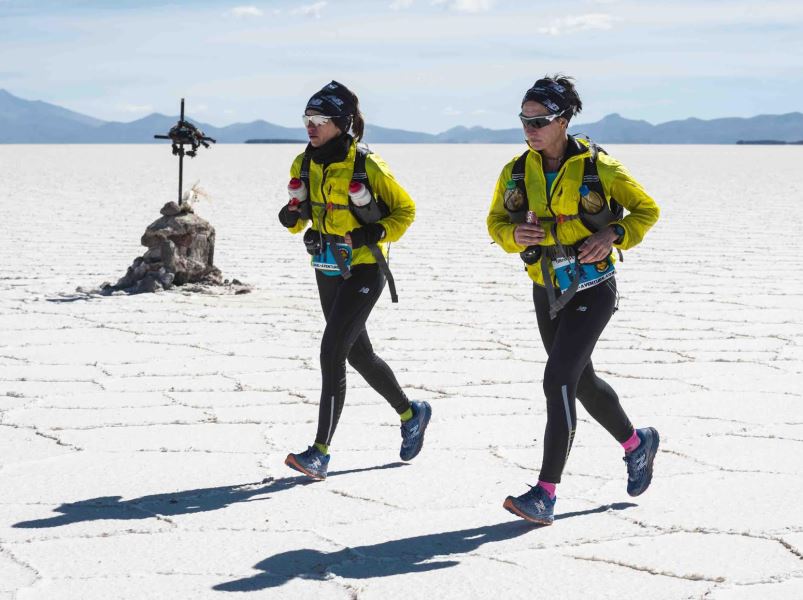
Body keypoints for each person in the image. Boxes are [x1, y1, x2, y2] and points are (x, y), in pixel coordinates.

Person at [486, 75, 661, 525]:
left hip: (592, 288)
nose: (530, 128)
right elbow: (494, 223)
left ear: (564, 120)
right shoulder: (516, 171)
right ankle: (636, 444)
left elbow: (647, 210)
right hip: (546, 287)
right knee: (580, 382)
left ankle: (545, 493)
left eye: (540, 120)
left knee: (558, 378)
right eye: (524, 120)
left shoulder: (601, 168)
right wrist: (513, 234)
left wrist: (613, 233)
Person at [278, 81, 431, 481]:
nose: (311, 127)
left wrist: (370, 234)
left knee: (332, 351)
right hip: (326, 266)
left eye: (320, 120)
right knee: (357, 354)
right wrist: (295, 220)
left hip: (365, 268)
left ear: (342, 124)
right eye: (307, 120)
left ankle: (319, 453)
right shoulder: (304, 163)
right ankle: (411, 413)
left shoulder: (368, 165)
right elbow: (303, 213)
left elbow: (406, 212)